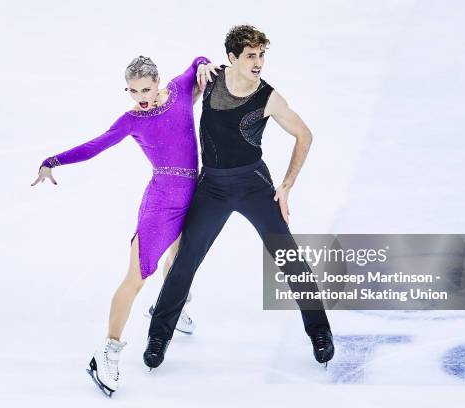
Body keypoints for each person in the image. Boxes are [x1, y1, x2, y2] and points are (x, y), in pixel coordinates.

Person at [143, 25, 335, 370]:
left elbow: (304, 135)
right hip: (212, 187)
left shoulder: (269, 97)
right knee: (185, 260)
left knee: (289, 257)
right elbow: (177, 103)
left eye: (262, 54)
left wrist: (288, 184)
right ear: (232, 58)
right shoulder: (211, 78)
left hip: (253, 185)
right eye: (251, 55)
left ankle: (320, 332)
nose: (258, 62)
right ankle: (159, 337)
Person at [31, 55, 219, 395]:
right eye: (132, 91)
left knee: (180, 260)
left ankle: (169, 306)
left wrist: (204, 63)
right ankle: (106, 351)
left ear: (158, 80)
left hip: (196, 191)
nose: (140, 98)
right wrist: (52, 160)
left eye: (145, 89)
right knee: (137, 275)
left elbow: (197, 63)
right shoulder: (132, 120)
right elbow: (95, 146)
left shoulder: (178, 91)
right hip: (162, 202)